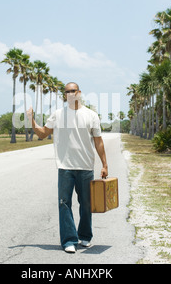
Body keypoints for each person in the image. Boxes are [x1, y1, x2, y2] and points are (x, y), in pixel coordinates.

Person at [27, 82, 108, 254]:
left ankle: (85, 236)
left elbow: (98, 141)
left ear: (79, 92)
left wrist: (104, 164)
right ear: (65, 95)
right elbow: (42, 134)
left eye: (73, 91)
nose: (70, 94)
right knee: (64, 204)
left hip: (86, 166)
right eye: (67, 92)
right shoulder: (58, 114)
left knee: (86, 204)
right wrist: (31, 120)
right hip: (65, 167)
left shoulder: (91, 115)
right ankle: (69, 240)